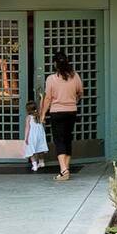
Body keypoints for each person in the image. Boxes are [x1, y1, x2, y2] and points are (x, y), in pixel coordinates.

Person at [38, 50, 83, 180]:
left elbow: (47, 99)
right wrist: (74, 100)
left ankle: (63, 170)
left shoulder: (51, 79)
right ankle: (65, 169)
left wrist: (42, 114)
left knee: (59, 141)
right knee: (67, 139)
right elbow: (80, 92)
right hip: (71, 111)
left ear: (55, 64)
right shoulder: (75, 76)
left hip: (57, 112)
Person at [22, 100, 48, 172]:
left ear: (28, 109)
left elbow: (27, 128)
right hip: (40, 135)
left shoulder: (29, 117)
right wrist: (42, 99)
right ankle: (41, 162)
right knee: (40, 148)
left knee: (31, 150)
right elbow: (41, 107)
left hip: (32, 136)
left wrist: (26, 137)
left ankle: (35, 165)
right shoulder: (39, 116)